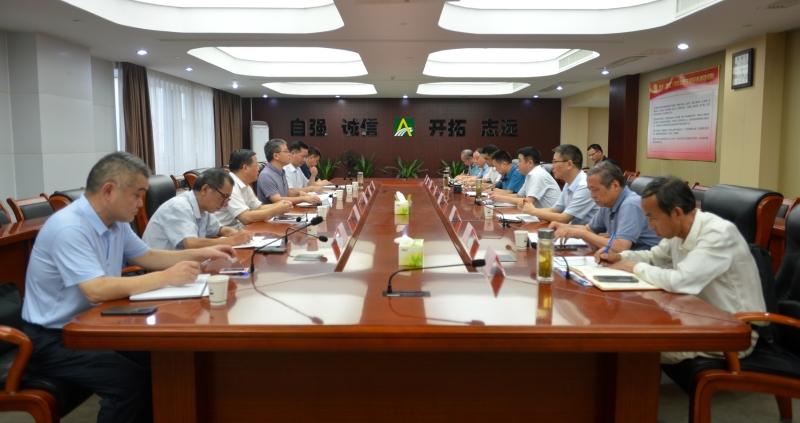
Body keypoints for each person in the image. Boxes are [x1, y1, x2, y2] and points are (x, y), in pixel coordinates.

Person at [21, 152, 236, 423]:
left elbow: (148, 256)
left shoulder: (116, 223)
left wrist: (204, 252)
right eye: (137, 195)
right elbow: (95, 289)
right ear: (108, 191)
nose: (140, 203)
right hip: (54, 337)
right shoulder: (69, 227)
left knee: (165, 362)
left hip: (95, 323)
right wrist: (167, 277)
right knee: (130, 384)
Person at [596, 176, 766, 363]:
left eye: (652, 217)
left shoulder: (718, 234)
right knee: (623, 329)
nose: (650, 226)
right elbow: (655, 256)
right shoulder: (678, 231)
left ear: (676, 212)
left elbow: (681, 281)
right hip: (697, 318)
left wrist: (636, 267)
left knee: (631, 346)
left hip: (732, 332)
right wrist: (620, 257)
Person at [549, 162, 660, 251]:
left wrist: (580, 233)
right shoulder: (607, 204)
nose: (592, 195)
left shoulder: (630, 204)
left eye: (595, 190)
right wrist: (564, 228)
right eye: (590, 190)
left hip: (649, 265)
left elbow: (620, 247)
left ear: (615, 185)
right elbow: (589, 229)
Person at [143, 168, 252, 250]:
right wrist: (230, 241)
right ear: (205, 189)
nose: (225, 204)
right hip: (164, 269)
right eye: (224, 197)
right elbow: (191, 244)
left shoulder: (203, 208)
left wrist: (234, 232)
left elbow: (219, 229)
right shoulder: (179, 207)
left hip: (185, 263)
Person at [518, 144, 599, 225]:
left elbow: (563, 218)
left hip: (584, 232)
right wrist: (529, 208)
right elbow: (554, 210)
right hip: (571, 230)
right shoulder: (569, 183)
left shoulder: (585, 186)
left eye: (555, 162)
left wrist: (533, 211)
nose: (552, 167)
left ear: (569, 164)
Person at [214, 149, 293, 228]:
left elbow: (258, 208)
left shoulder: (244, 183)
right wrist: (276, 210)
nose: (258, 169)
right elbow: (245, 217)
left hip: (242, 228)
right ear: (245, 168)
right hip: (226, 232)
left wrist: (280, 204)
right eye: (256, 165)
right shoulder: (230, 185)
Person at [489, 147, 560, 209]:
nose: (517, 164)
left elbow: (529, 201)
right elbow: (518, 196)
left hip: (549, 217)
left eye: (520, 161)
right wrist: (497, 195)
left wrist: (502, 198)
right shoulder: (530, 175)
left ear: (530, 163)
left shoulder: (538, 175)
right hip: (539, 215)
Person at [257, 138, 322, 205]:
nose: (289, 154)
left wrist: (298, 193)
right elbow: (277, 200)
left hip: (286, 209)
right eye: (286, 151)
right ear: (276, 156)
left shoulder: (281, 171)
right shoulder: (266, 175)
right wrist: (303, 198)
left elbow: (287, 192)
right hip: (275, 211)